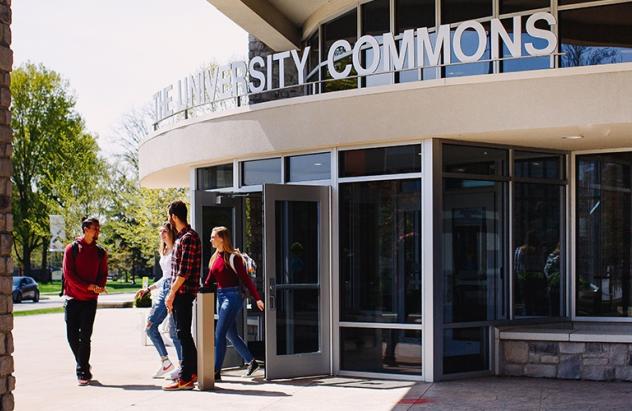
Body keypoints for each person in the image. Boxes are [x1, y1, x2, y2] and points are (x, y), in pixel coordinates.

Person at [205, 226, 264, 381]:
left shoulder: (233, 257)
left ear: (222, 238)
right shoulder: (215, 257)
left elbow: (246, 279)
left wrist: (257, 298)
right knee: (230, 334)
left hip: (233, 297)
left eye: (213, 237)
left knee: (219, 334)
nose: (210, 239)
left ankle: (215, 371)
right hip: (220, 296)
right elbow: (209, 280)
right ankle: (251, 361)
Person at [62, 217, 108, 386]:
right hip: (73, 299)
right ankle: (84, 363)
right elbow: (69, 276)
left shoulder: (100, 252)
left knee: (85, 337)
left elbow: (103, 274)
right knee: (71, 337)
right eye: (95, 228)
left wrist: (99, 287)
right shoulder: (71, 249)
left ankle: (82, 372)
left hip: (90, 301)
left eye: (98, 228)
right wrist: (88, 286)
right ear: (85, 229)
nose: (98, 232)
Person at [135, 222, 182, 378]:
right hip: (164, 289)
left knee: (175, 332)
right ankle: (166, 363)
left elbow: (174, 277)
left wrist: (173, 291)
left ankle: (183, 366)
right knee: (150, 327)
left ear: (171, 232)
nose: (162, 234)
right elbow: (165, 277)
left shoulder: (176, 248)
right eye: (161, 232)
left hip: (174, 289)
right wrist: (148, 289)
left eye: (165, 231)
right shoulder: (164, 250)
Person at [163, 201, 201, 391]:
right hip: (180, 293)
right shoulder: (181, 237)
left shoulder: (188, 238)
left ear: (174, 216)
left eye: (169, 216)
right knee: (183, 334)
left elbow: (183, 273)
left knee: (182, 334)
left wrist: (171, 294)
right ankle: (192, 371)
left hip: (183, 294)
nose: (168, 219)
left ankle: (186, 378)